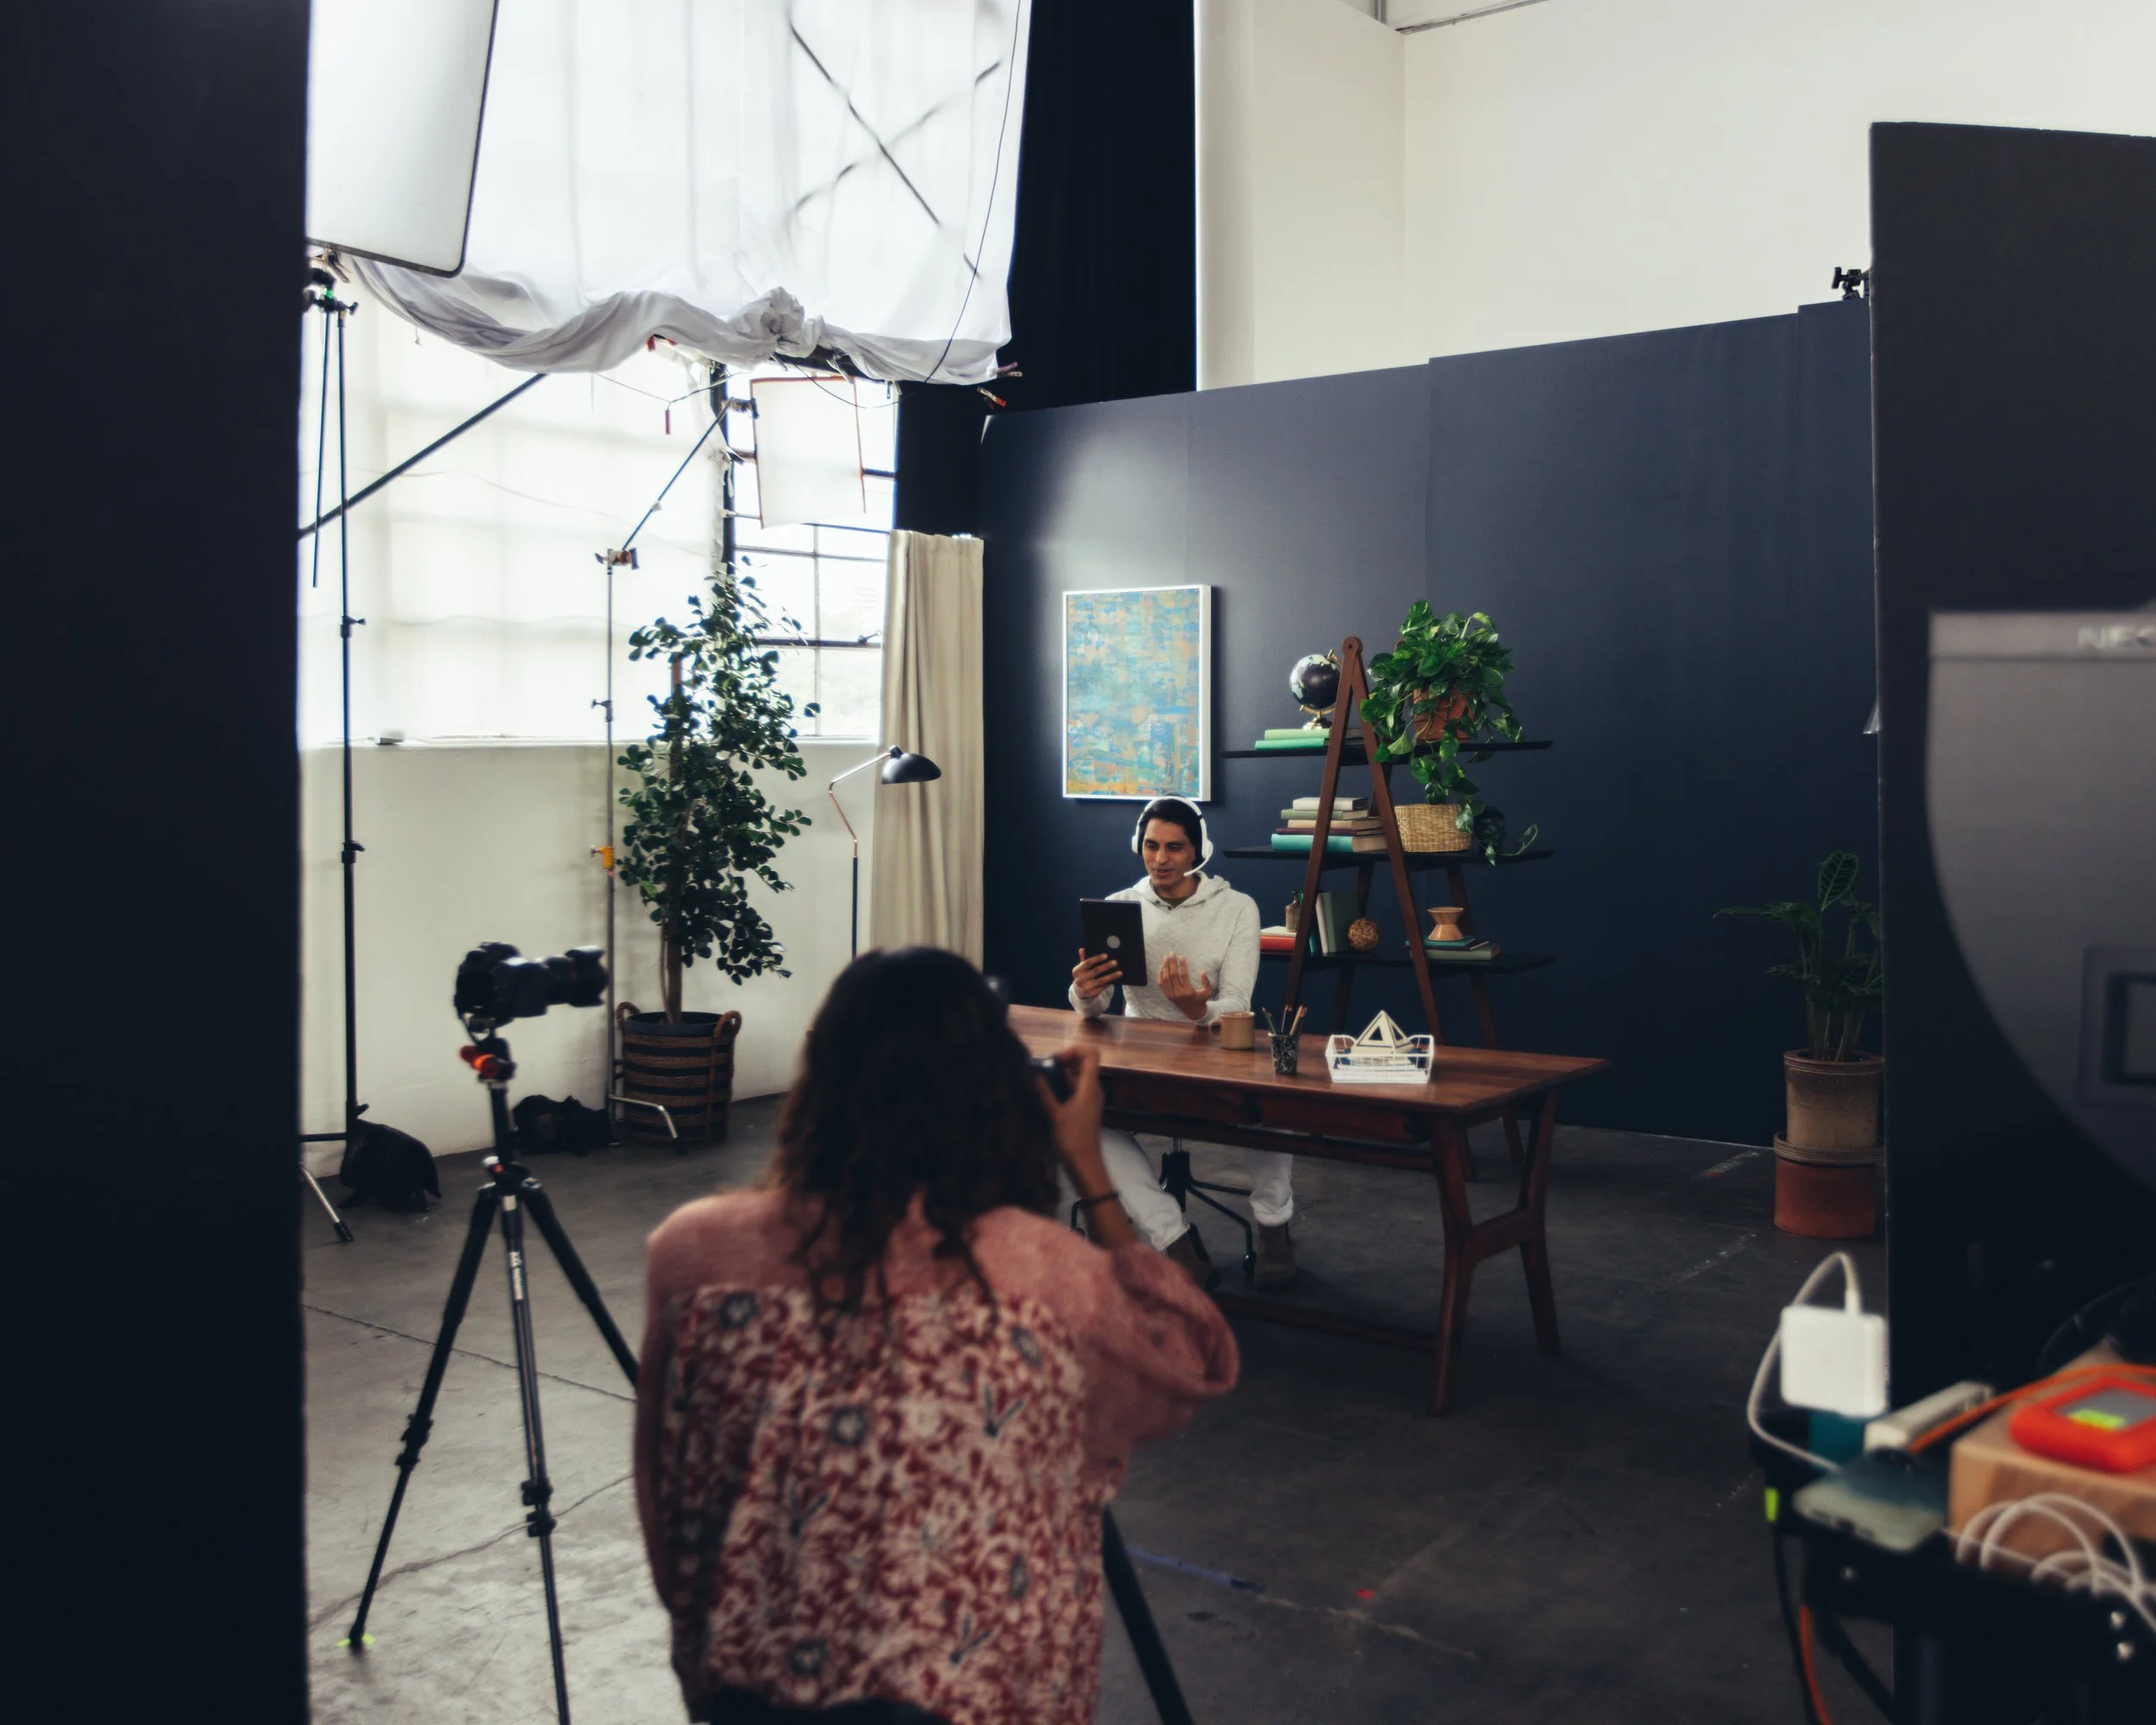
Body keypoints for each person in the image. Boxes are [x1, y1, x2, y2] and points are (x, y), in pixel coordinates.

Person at [635, 947, 1238, 1725]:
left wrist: (709, 1656)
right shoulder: (1048, 1279)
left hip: (759, 1684)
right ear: (996, 1094)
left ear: (820, 1075)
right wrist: (1090, 1169)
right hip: (984, 1690)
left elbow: (672, 1489)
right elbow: (1186, 1362)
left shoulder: (692, 1254)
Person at [1068, 796, 1297, 1290]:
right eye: (1151, 846)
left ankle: (1274, 1227)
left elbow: (1237, 1003)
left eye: (1174, 847)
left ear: (1198, 851)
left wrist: (1198, 1009)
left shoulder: (1236, 908)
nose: (1160, 859)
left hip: (1216, 1056)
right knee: (1089, 1121)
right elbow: (1097, 1004)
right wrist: (1083, 992)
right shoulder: (1120, 906)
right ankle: (1174, 1239)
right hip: (1140, 1058)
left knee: (1275, 1111)